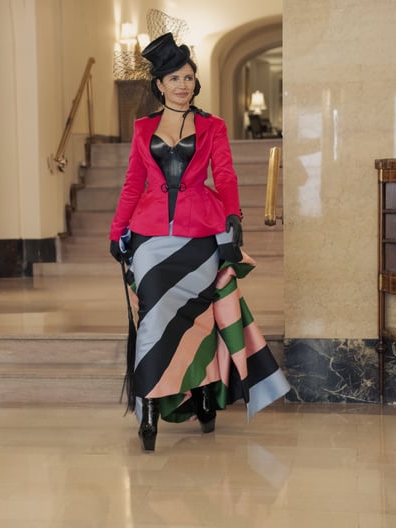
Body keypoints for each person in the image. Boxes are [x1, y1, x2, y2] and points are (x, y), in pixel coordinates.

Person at [108, 32, 289, 452]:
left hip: (201, 234)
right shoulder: (142, 129)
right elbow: (133, 183)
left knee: (201, 319)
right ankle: (150, 407)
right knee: (153, 320)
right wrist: (117, 231)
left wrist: (233, 217)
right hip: (151, 237)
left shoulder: (213, 126)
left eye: (188, 77)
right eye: (174, 78)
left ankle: (206, 394)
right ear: (160, 85)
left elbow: (224, 175)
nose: (183, 85)